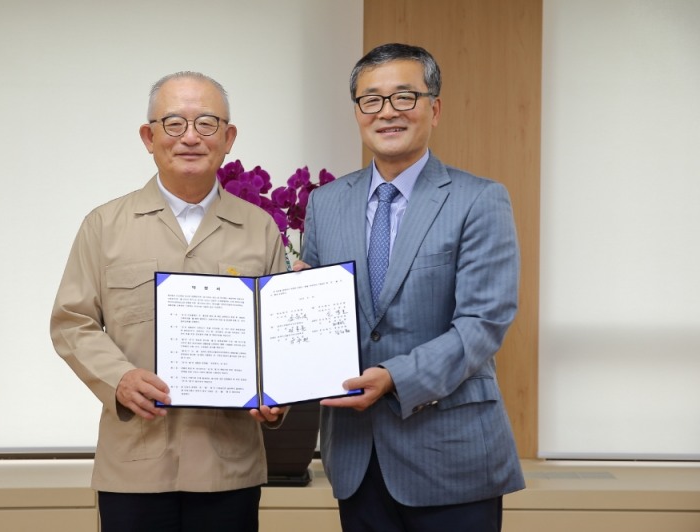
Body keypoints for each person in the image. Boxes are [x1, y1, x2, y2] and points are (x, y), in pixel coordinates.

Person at [296, 43, 525, 531]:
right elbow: (310, 322)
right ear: (358, 112)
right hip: (356, 458)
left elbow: (483, 324)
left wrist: (393, 377)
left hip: (453, 457)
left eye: (405, 97)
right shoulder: (325, 203)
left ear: (434, 108)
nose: (388, 113)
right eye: (371, 100)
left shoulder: (478, 199)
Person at [50, 71, 286, 532]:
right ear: (149, 136)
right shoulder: (105, 225)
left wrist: (278, 396)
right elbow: (71, 322)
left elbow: (277, 336)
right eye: (174, 124)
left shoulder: (260, 229)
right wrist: (118, 378)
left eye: (207, 124)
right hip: (134, 468)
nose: (190, 138)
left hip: (228, 468)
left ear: (228, 137)